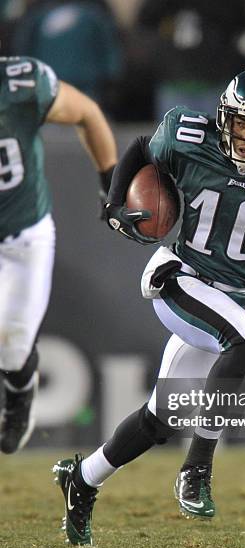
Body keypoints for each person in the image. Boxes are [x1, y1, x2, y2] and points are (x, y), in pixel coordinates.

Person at [53, 66, 245, 546]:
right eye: (241, 123)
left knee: (162, 415)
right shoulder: (188, 137)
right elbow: (143, 146)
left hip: (232, 298)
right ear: (225, 116)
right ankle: (196, 471)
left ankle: (82, 478)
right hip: (178, 277)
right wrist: (112, 202)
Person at [0, 55, 117, 454]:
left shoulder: (22, 87)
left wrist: (110, 181)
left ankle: (19, 391)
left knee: (12, 345)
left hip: (22, 238)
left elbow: (87, 113)